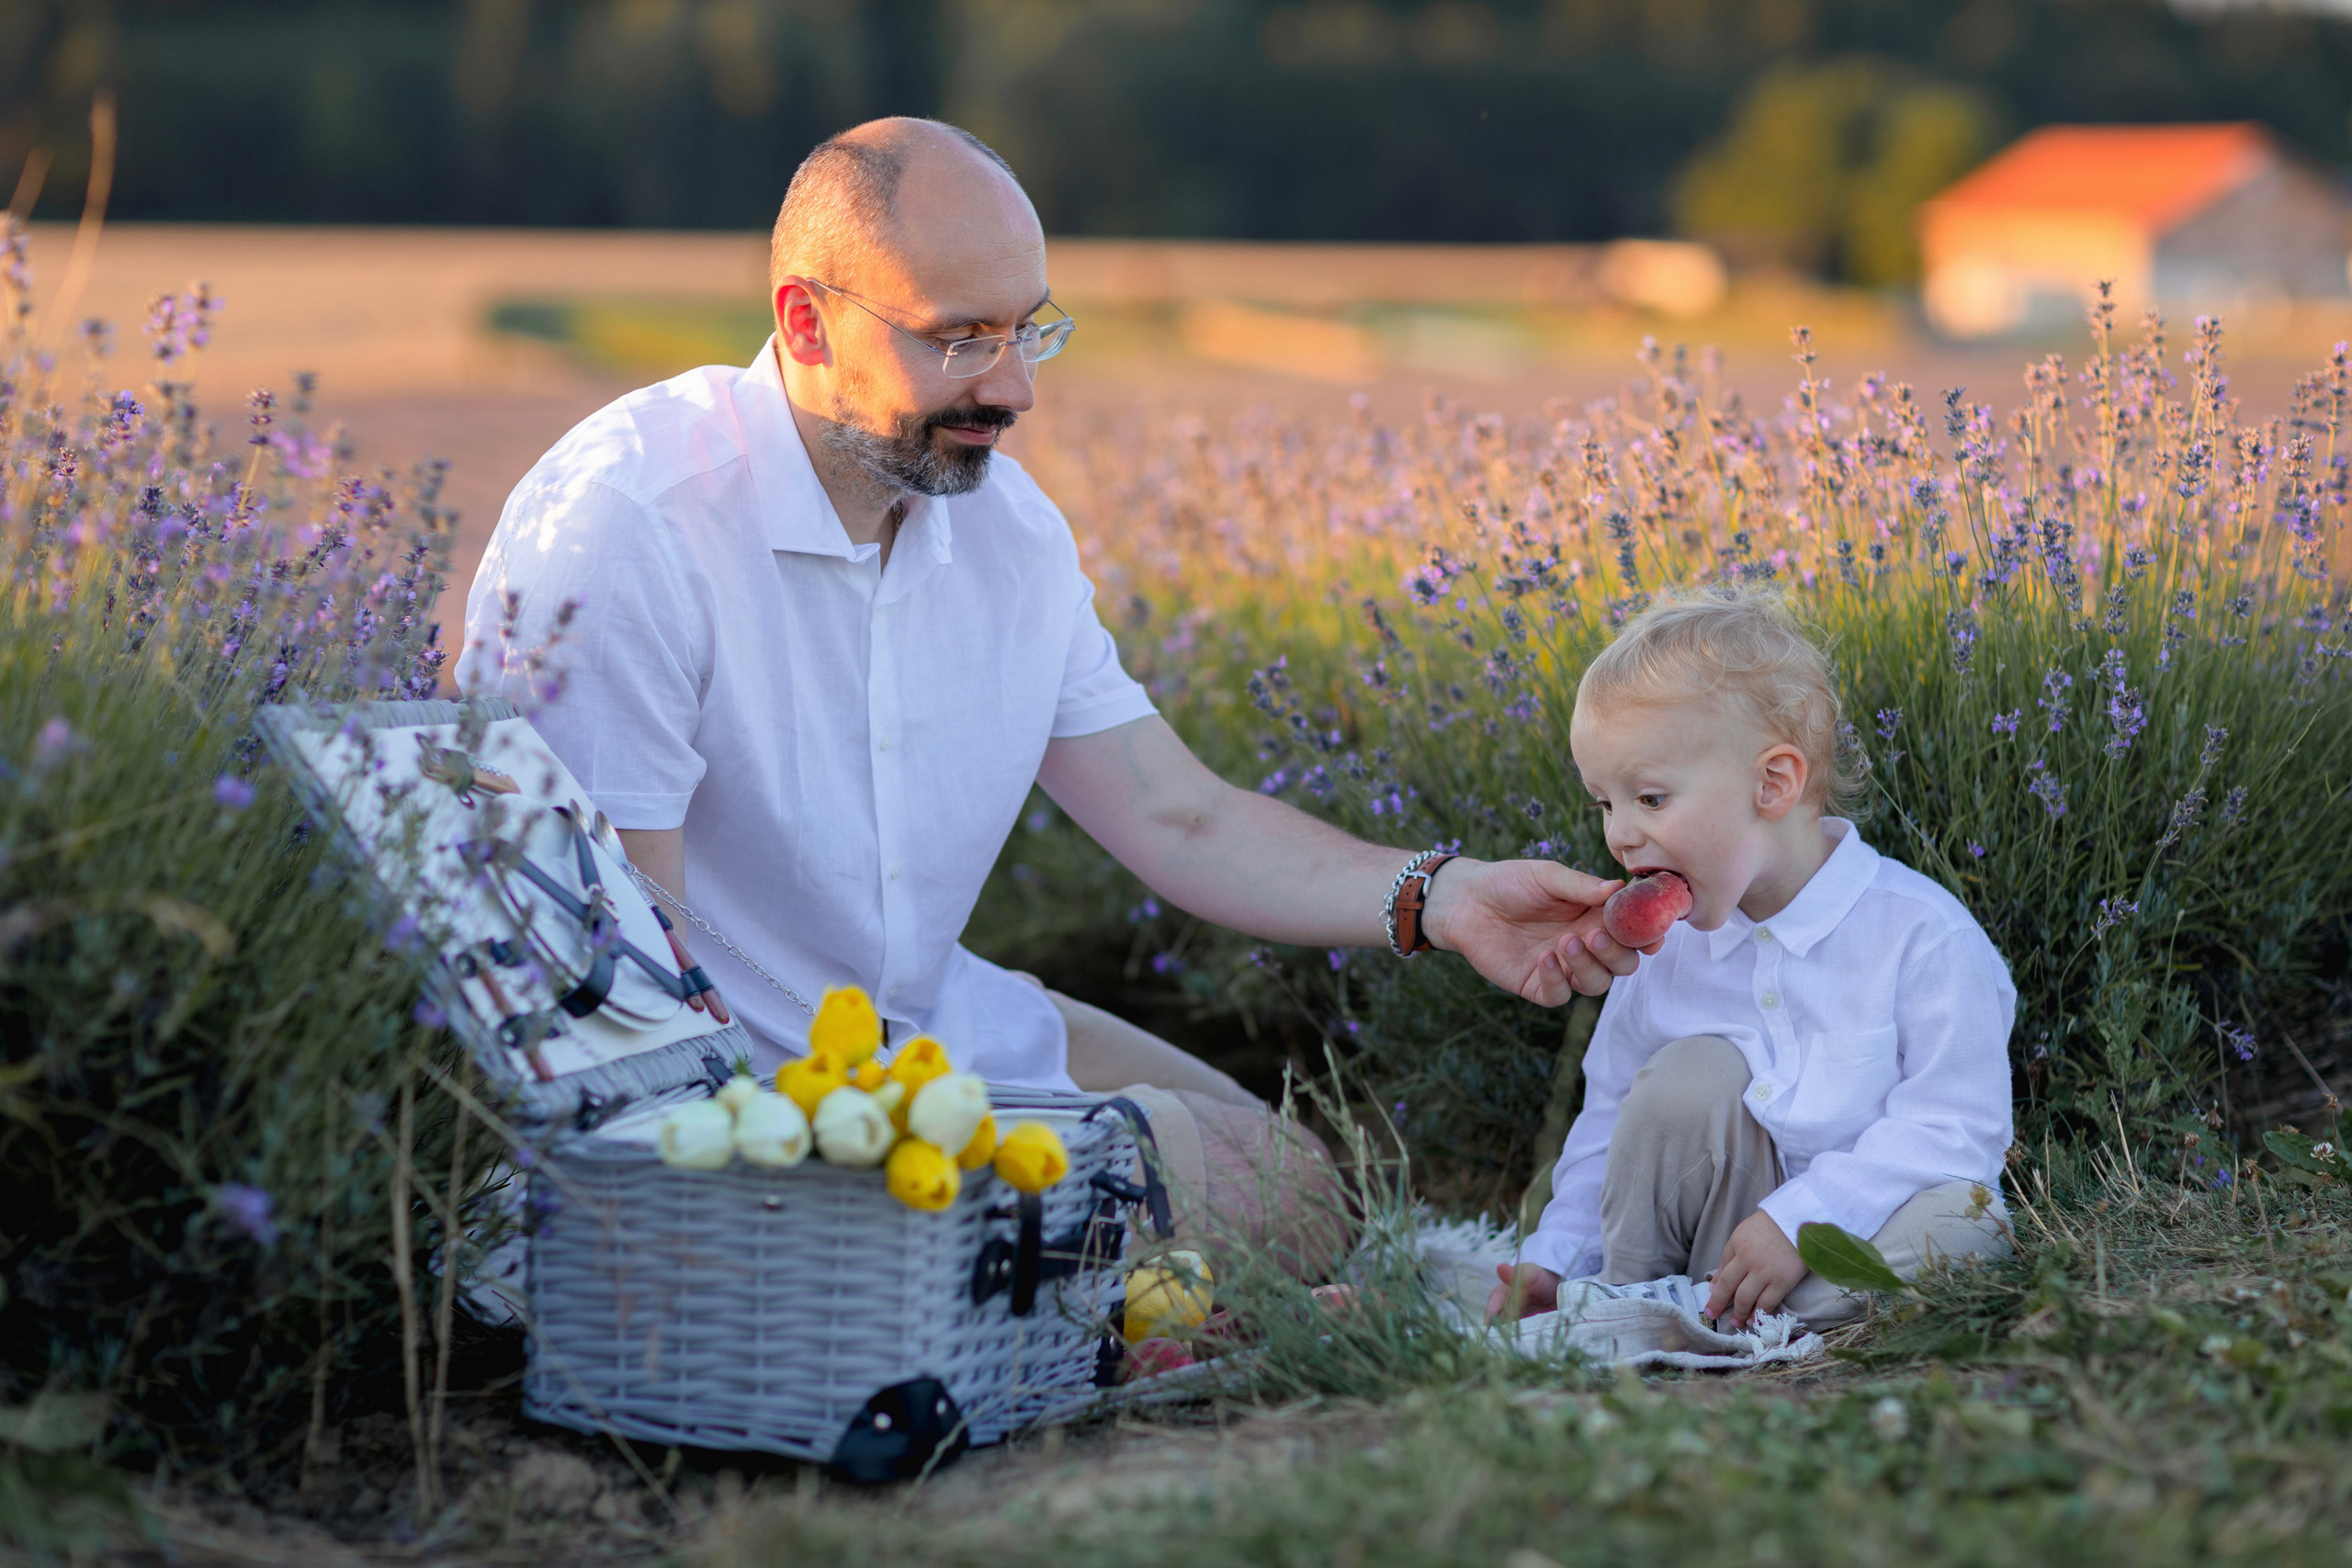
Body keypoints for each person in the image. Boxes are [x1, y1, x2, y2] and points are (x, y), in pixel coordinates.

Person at [461, 117, 1640, 1272]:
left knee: (1306, 1187)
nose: (1014, 386)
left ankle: (1076, 1288)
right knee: (1257, 1203)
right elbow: (626, 980)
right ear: (806, 321)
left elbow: (1181, 815)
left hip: (934, 1037)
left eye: (1028, 329)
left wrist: (1443, 897)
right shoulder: (631, 523)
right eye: (960, 338)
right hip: (737, 1108)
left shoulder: (1009, 533)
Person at [1488, 585, 2015, 1329]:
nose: (1621, 834)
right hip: (1695, 1234)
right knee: (1685, 1077)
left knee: (1969, 1227)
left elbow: (1955, 1127)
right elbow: (1608, 1118)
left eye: (1650, 798)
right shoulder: (1664, 950)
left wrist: (1802, 1221)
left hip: (1851, 1231)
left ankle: (1679, 1316)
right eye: (1604, 802)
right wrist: (1556, 1254)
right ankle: (1623, 1289)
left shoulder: (1923, 936)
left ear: (1773, 783)